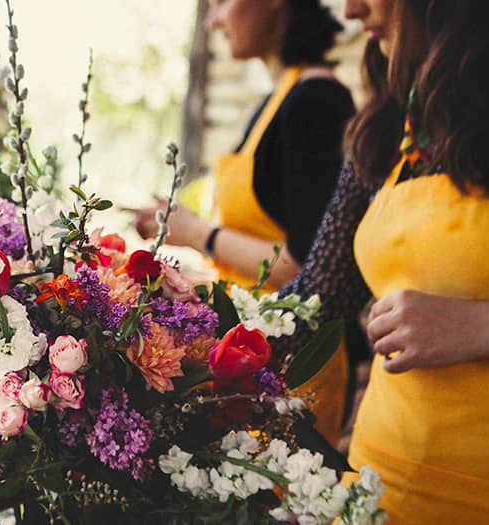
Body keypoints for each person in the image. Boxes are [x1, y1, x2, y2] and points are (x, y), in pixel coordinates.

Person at [275, 0, 489, 521]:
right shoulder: (390, 126)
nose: (352, 10)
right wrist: (188, 339)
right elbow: (318, 298)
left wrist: (481, 325)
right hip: (379, 495)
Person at [135, 0, 356, 445]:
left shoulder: (316, 103)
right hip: (255, 352)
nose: (214, 20)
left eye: (220, 2)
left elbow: (305, 267)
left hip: (296, 363)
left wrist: (197, 234)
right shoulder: (276, 102)